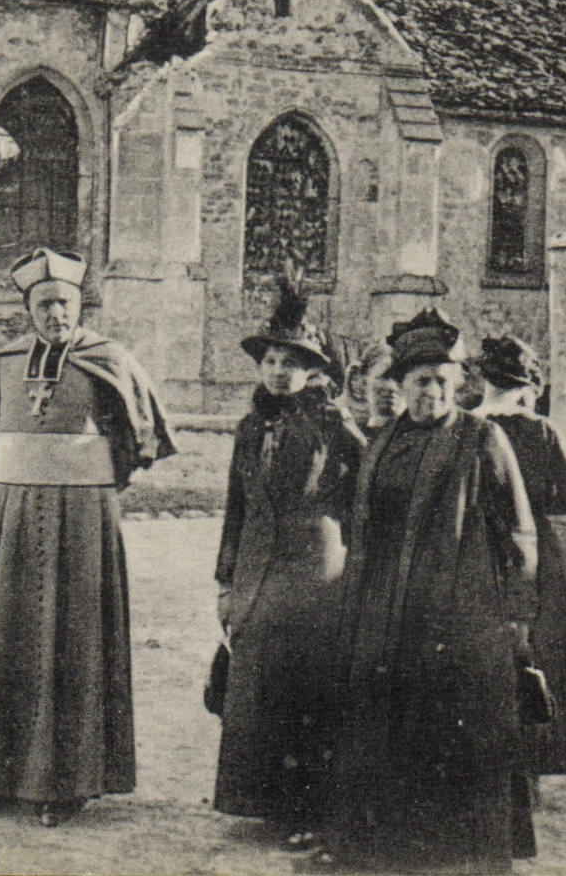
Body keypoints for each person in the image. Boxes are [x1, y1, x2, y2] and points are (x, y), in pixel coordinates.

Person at [323, 308, 539, 875]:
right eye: (421, 381)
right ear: (401, 384)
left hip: (456, 606)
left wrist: (518, 613)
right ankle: (383, 846)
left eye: (444, 382)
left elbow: (519, 531)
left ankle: (452, 852)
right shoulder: (383, 440)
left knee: (447, 724)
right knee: (382, 720)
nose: (432, 393)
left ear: (458, 384)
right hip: (383, 600)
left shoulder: (481, 438)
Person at [0, 247, 176, 827]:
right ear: (28, 310)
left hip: (82, 515)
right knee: (8, 631)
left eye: (64, 303)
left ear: (80, 306)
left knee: (74, 639)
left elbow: (142, 440)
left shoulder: (110, 358)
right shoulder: (3, 362)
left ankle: (67, 780)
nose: (55, 314)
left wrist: (95, 476)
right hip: (12, 513)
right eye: (44, 305)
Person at [214, 279, 362, 849]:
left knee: (306, 689)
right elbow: (236, 508)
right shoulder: (250, 427)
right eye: (271, 361)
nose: (278, 372)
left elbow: (367, 489)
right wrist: (226, 582)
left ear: (311, 370)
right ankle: (262, 801)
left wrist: (348, 550)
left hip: (314, 571)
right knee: (257, 685)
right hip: (257, 571)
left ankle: (310, 808)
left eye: (291, 363)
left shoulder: (331, 423)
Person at [473, 334, 566, 861]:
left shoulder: (469, 426)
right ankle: (536, 764)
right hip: (534, 552)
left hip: (479, 549)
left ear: (483, 381)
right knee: (539, 655)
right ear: (525, 387)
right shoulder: (541, 431)